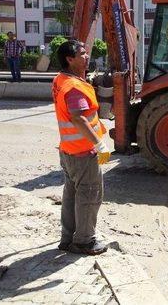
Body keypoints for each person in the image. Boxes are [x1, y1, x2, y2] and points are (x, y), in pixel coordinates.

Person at [52, 40, 111, 255]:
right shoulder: (74, 88)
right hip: (83, 152)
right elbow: (79, 118)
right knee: (90, 194)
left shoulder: (62, 79)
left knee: (71, 194)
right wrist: (100, 144)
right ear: (70, 59)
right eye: (82, 53)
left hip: (68, 149)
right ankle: (84, 241)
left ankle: (68, 238)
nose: (87, 56)